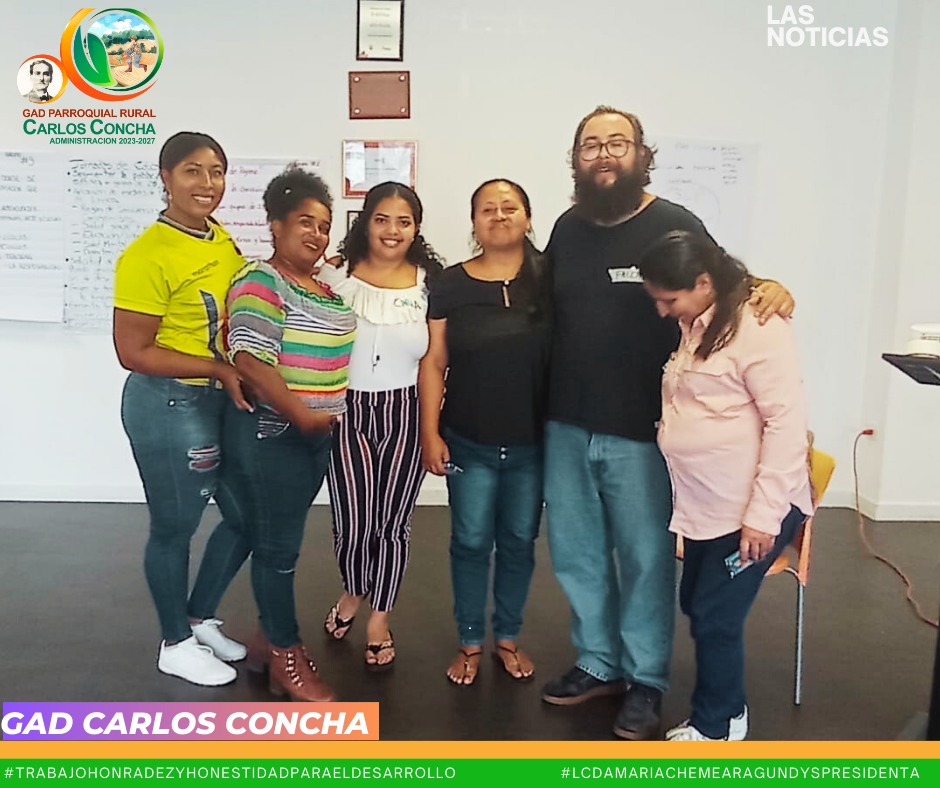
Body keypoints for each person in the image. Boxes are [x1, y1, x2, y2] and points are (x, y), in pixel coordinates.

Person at [539, 106, 795, 740]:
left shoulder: (674, 223)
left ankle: (647, 678)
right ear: (575, 159)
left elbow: (729, 281)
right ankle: (599, 662)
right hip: (567, 423)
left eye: (617, 142)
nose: (603, 154)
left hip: (644, 433)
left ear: (641, 153)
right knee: (576, 555)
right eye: (590, 145)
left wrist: (773, 286)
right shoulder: (567, 229)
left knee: (646, 559)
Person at [187, 166, 356, 701]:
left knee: (273, 539)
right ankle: (286, 654)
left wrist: (318, 424)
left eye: (324, 225)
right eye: (304, 221)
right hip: (273, 433)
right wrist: (303, 416)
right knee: (278, 552)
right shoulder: (261, 280)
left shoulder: (323, 289)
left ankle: (264, 644)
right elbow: (251, 360)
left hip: (314, 437)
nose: (316, 233)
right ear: (275, 226)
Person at [637, 230, 813, 741]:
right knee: (697, 603)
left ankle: (717, 727)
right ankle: (728, 708)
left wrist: (762, 518)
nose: (662, 311)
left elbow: (785, 425)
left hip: (754, 510)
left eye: (669, 299)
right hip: (708, 506)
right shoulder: (696, 323)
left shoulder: (757, 326)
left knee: (715, 615)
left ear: (703, 282)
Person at [113, 131, 250, 687]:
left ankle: (197, 619)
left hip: (217, 398)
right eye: (193, 170)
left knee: (248, 517)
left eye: (216, 171)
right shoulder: (147, 255)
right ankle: (174, 643)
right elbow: (132, 351)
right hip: (170, 402)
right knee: (175, 527)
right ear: (166, 177)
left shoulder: (219, 237)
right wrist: (218, 369)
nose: (208, 183)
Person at [419, 179, 550, 685]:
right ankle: (470, 641)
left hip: (533, 444)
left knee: (519, 541)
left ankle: (508, 638)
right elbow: (434, 362)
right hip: (468, 440)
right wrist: (430, 433)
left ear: (528, 217)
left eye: (509, 207)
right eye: (487, 209)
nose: (499, 215)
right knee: (471, 541)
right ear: (474, 222)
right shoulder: (450, 284)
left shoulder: (550, 278)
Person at [317, 182, 444, 670]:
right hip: (346, 410)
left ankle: (378, 617)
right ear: (365, 222)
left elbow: (434, 362)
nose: (392, 231)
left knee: (392, 524)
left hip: (405, 411)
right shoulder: (335, 275)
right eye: (382, 219)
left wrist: (431, 428)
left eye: (403, 222)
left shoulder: (430, 283)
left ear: (416, 228)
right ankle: (353, 589)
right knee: (354, 522)